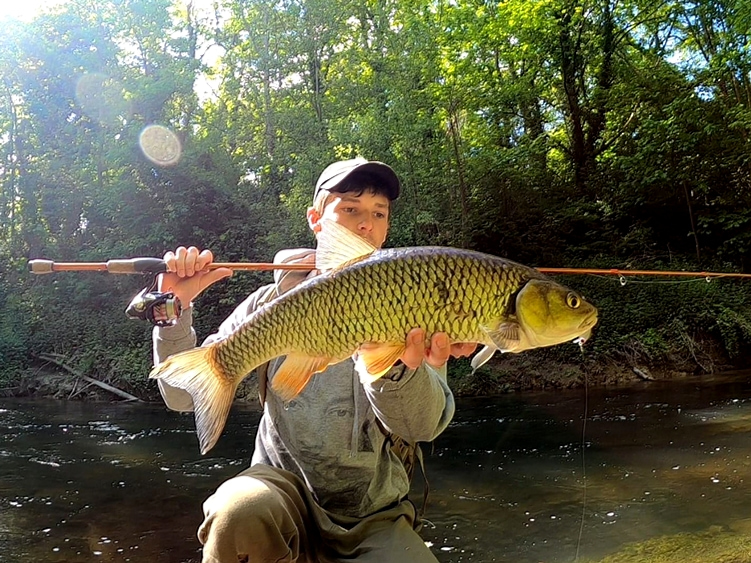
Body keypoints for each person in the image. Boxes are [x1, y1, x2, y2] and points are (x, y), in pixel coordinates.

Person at [152, 157, 477, 563]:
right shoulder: (270, 303)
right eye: (350, 209)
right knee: (237, 511)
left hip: (375, 513)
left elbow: (422, 427)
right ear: (316, 219)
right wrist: (173, 311)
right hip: (281, 492)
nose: (366, 224)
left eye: (379, 213)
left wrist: (396, 369)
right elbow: (181, 397)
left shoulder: (418, 299)